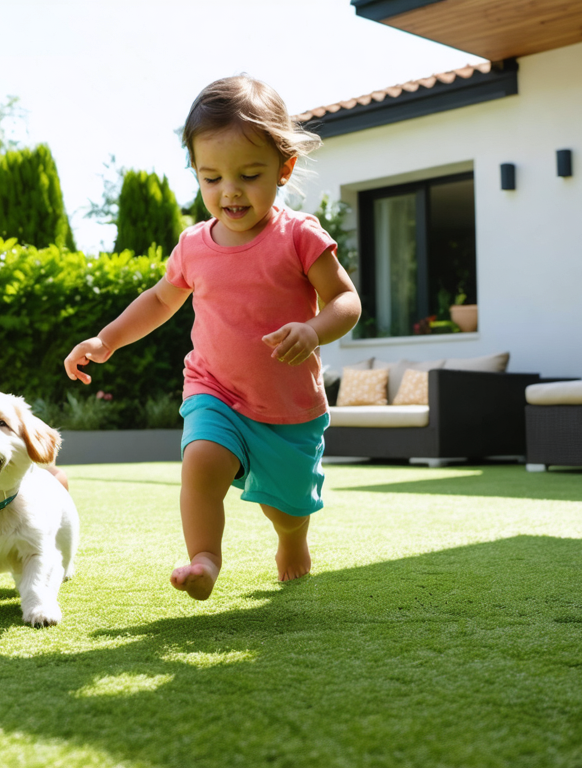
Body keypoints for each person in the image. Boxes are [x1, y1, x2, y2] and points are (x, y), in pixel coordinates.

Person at [63, 75, 361, 601]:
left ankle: (292, 540)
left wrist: (313, 330)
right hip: (216, 390)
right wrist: (106, 340)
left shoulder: (299, 236)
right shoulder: (194, 246)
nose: (229, 191)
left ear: (284, 169)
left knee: (286, 508)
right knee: (201, 457)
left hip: (288, 409)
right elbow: (160, 299)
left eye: (249, 175)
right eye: (211, 177)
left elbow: (346, 302)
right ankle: (204, 557)